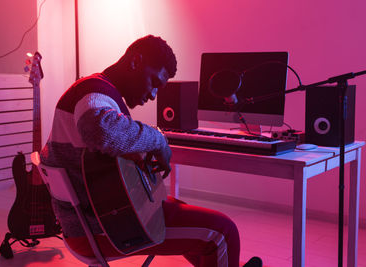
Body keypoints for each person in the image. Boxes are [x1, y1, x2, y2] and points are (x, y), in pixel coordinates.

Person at [40, 35, 262, 267]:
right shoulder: (94, 90)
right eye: (154, 83)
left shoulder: (99, 91)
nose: (154, 95)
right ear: (135, 61)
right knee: (223, 231)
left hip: (91, 223)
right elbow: (99, 131)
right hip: (103, 230)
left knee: (180, 208)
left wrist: (138, 158)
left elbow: (102, 156)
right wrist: (158, 139)